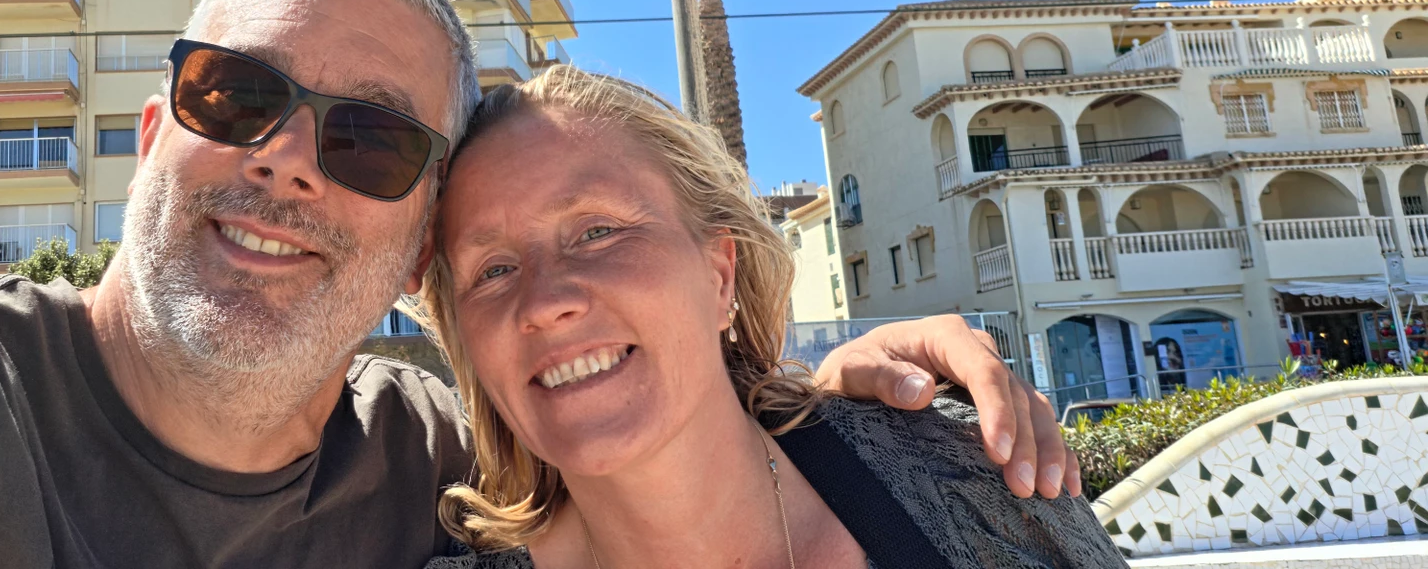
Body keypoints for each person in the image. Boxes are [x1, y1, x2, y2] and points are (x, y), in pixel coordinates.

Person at [0, 0, 1073, 568]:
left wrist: (821, 398)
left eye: (368, 140)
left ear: (408, 252)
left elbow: (641, 413)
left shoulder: (427, 465)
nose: (284, 158)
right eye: (235, 94)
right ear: (154, 130)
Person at [418, 67, 1117, 569]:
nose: (545, 301)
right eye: (493, 270)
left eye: (597, 231)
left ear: (719, 275)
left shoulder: (973, 481)